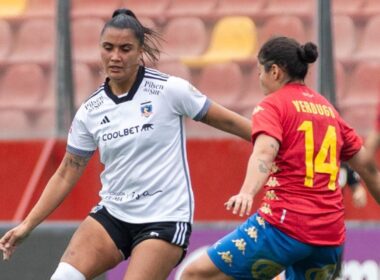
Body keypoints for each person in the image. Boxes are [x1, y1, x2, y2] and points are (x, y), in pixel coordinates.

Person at [0, 9, 252, 280]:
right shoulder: (91, 110)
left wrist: (274, 142)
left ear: (139, 51)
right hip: (114, 214)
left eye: (125, 49)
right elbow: (65, 172)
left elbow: (229, 122)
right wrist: (27, 225)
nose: (115, 56)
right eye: (108, 48)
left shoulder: (169, 90)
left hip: (164, 218)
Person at [180, 36, 380, 280]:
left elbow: (265, 151)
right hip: (329, 237)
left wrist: (246, 191)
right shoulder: (329, 111)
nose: (259, 78)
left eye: (260, 71)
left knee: (196, 275)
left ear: (274, 71)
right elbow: (368, 168)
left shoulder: (273, 105)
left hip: (283, 228)